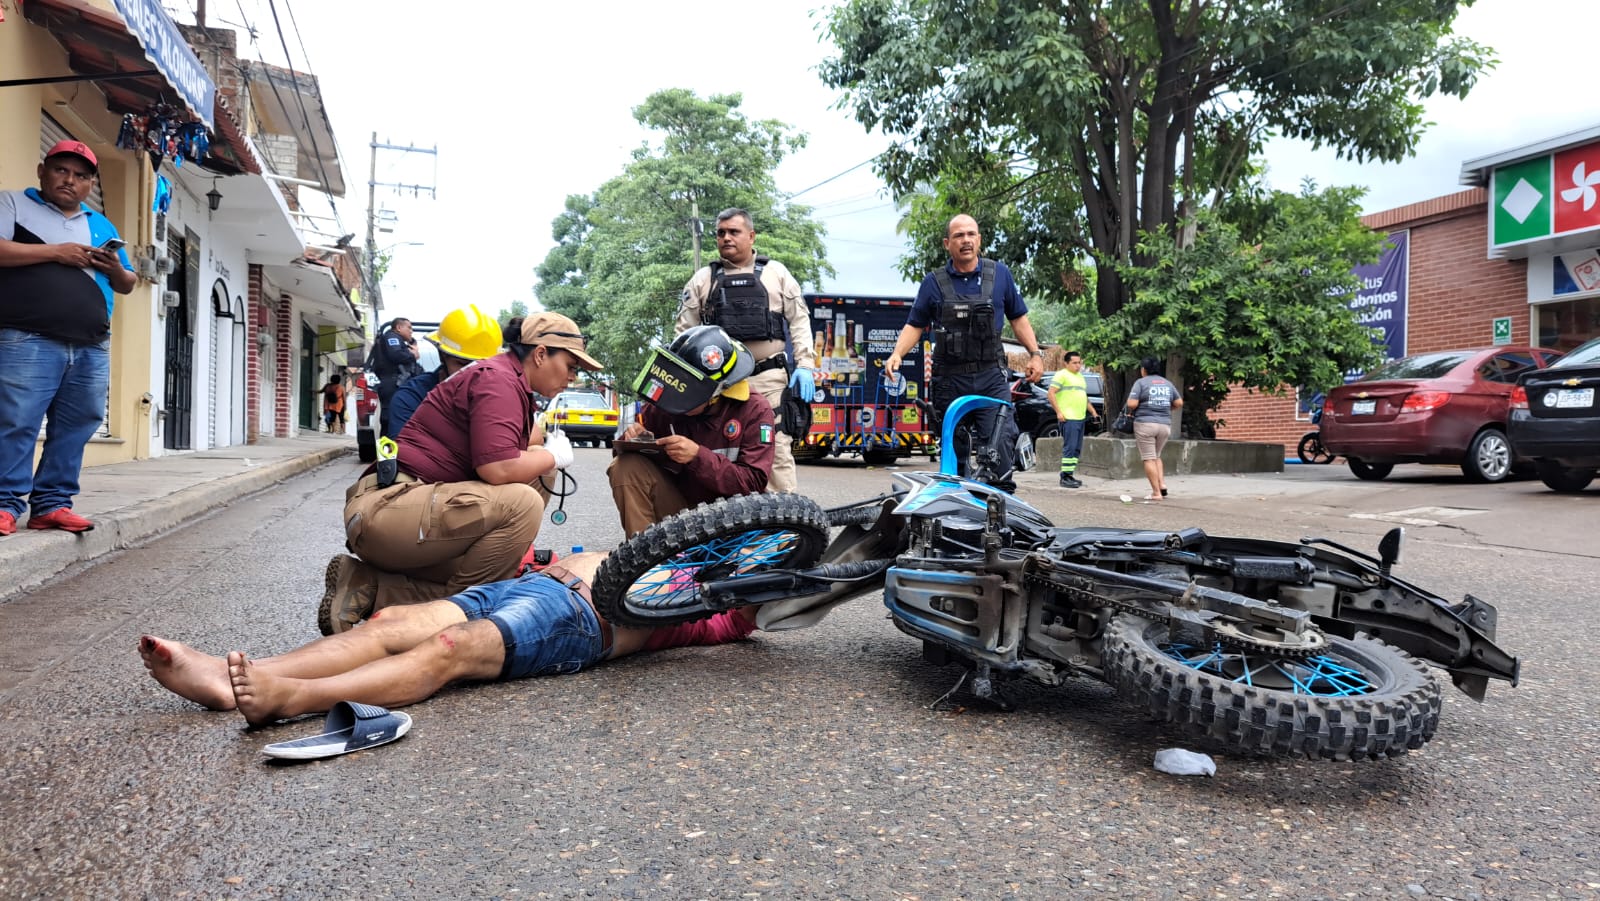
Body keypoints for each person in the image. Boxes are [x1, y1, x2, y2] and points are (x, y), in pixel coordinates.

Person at [140, 551, 762, 727]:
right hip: (525, 584)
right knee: (387, 625)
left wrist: (761, 586)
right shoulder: (683, 541)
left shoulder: (713, 602)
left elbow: (741, 621)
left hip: (576, 621)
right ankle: (229, 683)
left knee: (448, 652)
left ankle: (289, 697)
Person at [319, 311, 599, 636]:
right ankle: (458, 618)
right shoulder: (498, 379)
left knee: (531, 482)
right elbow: (498, 469)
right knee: (522, 501)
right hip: (388, 510)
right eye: (571, 367)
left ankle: (369, 588)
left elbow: (529, 443)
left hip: (405, 517)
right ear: (540, 354)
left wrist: (544, 451)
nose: (572, 378)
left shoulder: (508, 381)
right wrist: (554, 455)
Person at [0, 140, 137, 537]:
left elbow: (128, 283)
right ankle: (5, 504)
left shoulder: (101, 224)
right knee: (16, 421)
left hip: (91, 343)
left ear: (90, 183)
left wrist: (113, 267)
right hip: (27, 337)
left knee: (77, 426)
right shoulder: (12, 204)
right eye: (61, 170)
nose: (70, 180)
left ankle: (52, 505)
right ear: (42, 170)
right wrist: (56, 253)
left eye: (80, 176)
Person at [883, 215, 1045, 490]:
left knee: (999, 444)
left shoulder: (1000, 274)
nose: (966, 240)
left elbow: (1019, 318)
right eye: (959, 236)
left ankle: (999, 509)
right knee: (953, 451)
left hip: (991, 377)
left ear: (979, 240)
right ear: (948, 243)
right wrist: (897, 353)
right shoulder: (934, 282)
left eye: (971, 234)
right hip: (949, 379)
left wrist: (1035, 353)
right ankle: (955, 513)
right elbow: (915, 324)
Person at [675, 208, 816, 494]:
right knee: (720, 452)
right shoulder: (703, 279)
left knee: (775, 449)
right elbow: (682, 336)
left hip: (768, 379)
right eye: (721, 233)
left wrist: (805, 365)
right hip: (718, 387)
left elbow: (800, 319)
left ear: (751, 236)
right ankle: (727, 528)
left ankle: (784, 530)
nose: (726, 238)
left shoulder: (776, 274)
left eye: (734, 232)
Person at [609, 325, 776, 536]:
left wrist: (697, 456)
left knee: (763, 560)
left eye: (687, 393)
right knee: (626, 466)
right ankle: (645, 558)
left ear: (717, 390)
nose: (676, 398)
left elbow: (753, 483)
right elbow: (623, 460)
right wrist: (632, 439)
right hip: (680, 515)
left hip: (732, 521)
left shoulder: (755, 409)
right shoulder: (666, 402)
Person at [387, 304, 504, 436]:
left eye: (484, 367)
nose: (474, 374)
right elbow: (403, 452)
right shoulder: (411, 398)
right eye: (463, 365)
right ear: (442, 356)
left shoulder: (503, 399)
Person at [1125, 356, 1183, 501]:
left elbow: (1132, 404)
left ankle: (1156, 493)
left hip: (1145, 424)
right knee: (1156, 456)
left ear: (1143, 370)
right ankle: (1162, 485)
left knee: (1148, 459)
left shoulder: (1141, 383)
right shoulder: (1167, 383)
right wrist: (1165, 407)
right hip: (1164, 425)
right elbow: (1179, 402)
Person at [1047, 351, 1100, 488]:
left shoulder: (1080, 377)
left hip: (1080, 417)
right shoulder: (1062, 375)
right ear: (1066, 363)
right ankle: (1064, 477)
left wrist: (1093, 412)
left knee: (1076, 448)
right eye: (1074, 363)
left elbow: (1084, 397)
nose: (1078, 366)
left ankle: (1070, 474)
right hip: (1068, 417)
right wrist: (1059, 412)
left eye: (1079, 362)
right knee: (1069, 448)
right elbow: (1051, 393)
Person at [371, 317, 422, 437]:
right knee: (389, 418)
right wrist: (413, 354)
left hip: (396, 383)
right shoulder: (392, 337)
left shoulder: (399, 341)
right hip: (392, 382)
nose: (411, 331)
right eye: (409, 327)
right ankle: (387, 452)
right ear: (399, 328)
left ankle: (392, 450)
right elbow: (396, 355)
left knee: (395, 417)